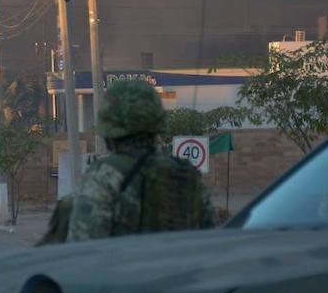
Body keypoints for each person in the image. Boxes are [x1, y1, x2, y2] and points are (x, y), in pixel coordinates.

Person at [62, 79, 216, 243]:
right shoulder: (186, 175)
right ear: (157, 125)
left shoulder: (104, 176)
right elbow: (207, 242)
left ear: (108, 132)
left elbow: (82, 248)